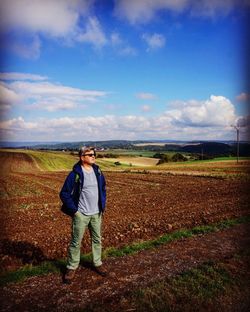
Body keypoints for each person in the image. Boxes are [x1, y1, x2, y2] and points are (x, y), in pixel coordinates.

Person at [60, 146, 107, 284]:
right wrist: (75, 211)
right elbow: (64, 194)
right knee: (76, 242)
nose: (94, 156)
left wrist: (102, 205)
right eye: (90, 154)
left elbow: (103, 188)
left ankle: (97, 263)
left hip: (96, 214)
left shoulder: (97, 171)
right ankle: (72, 267)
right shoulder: (75, 174)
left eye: (94, 154)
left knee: (97, 240)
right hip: (81, 214)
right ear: (82, 157)